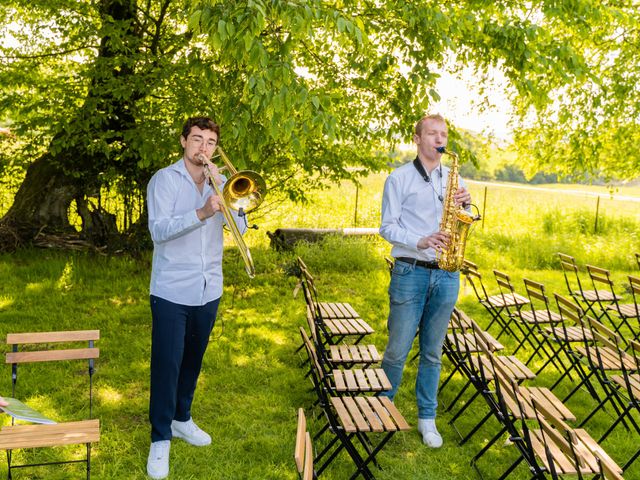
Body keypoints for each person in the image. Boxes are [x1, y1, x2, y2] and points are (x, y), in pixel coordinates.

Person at [146, 116, 247, 479]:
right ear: (183, 142)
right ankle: (160, 438)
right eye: (197, 139)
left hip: (209, 288)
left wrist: (229, 197)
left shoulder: (218, 181)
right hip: (172, 289)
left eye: (210, 142)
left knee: (192, 360)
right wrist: (203, 211)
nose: (203, 147)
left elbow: (239, 226)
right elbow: (159, 231)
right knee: (167, 364)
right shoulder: (164, 180)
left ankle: (181, 418)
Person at [379, 114, 471, 448]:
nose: (439, 139)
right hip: (410, 270)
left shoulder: (455, 179)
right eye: (432, 133)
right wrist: (422, 239)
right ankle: (381, 410)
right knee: (397, 350)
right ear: (417, 138)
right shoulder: (399, 178)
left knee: (433, 352)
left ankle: (426, 419)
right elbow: (387, 227)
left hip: (447, 274)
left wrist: (468, 205)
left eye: (443, 134)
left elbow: (468, 218)